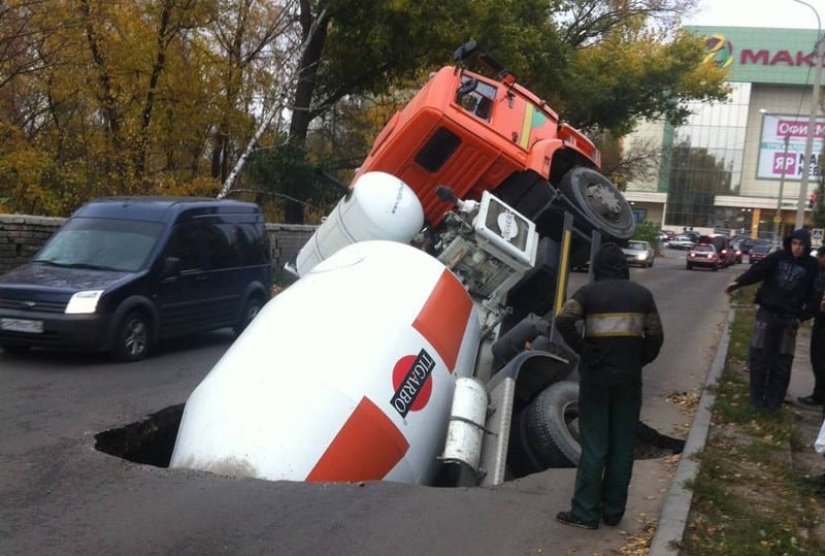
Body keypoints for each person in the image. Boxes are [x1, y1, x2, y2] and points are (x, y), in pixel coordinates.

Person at [554, 242, 664, 530]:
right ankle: (613, 512)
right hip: (629, 381)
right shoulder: (642, 295)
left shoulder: (588, 293)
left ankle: (585, 513)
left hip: (596, 381)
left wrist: (583, 347)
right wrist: (640, 359)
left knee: (594, 445)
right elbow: (655, 336)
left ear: (598, 268)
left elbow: (564, 320)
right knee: (623, 445)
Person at [725, 229, 818, 412]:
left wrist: (803, 316)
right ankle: (756, 401)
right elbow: (758, 271)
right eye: (794, 243)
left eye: (801, 245)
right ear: (790, 243)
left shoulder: (812, 266)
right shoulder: (778, 257)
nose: (797, 248)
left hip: (789, 319)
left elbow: (816, 293)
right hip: (767, 315)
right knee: (759, 358)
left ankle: (774, 404)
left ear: (806, 246)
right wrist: (739, 283)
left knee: (782, 363)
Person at [799, 246, 825, 406]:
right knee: (817, 359)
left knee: (820, 359)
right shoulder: (820, 273)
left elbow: (817, 299)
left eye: (820, 257)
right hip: (819, 319)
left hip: (823, 322)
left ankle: (819, 396)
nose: (818, 261)